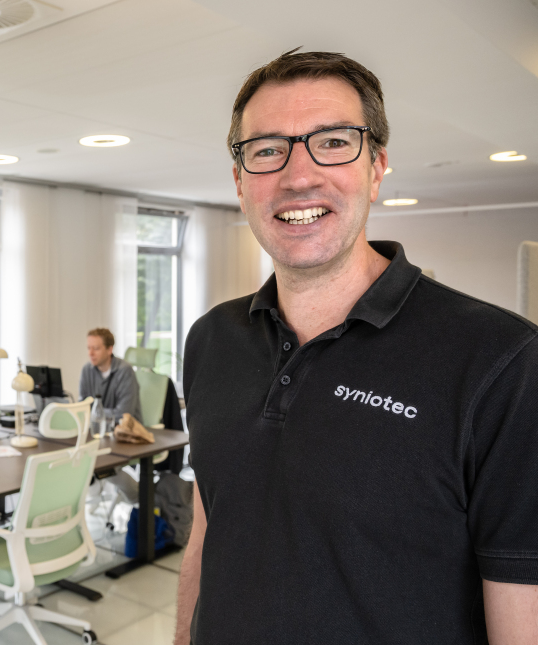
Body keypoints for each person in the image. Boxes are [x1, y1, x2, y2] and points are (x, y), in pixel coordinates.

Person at [176, 49, 538, 644]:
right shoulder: (211, 339)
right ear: (240, 183)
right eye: (267, 149)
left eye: (334, 141)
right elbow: (209, 528)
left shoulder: (500, 361)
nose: (298, 175)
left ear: (376, 166)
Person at [78, 327, 140, 422]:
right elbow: (81, 408)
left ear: (109, 349)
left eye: (96, 348)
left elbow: (124, 414)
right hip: (97, 428)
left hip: (125, 431)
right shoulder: (86, 370)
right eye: (89, 348)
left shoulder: (125, 371)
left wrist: (93, 413)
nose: (90, 353)